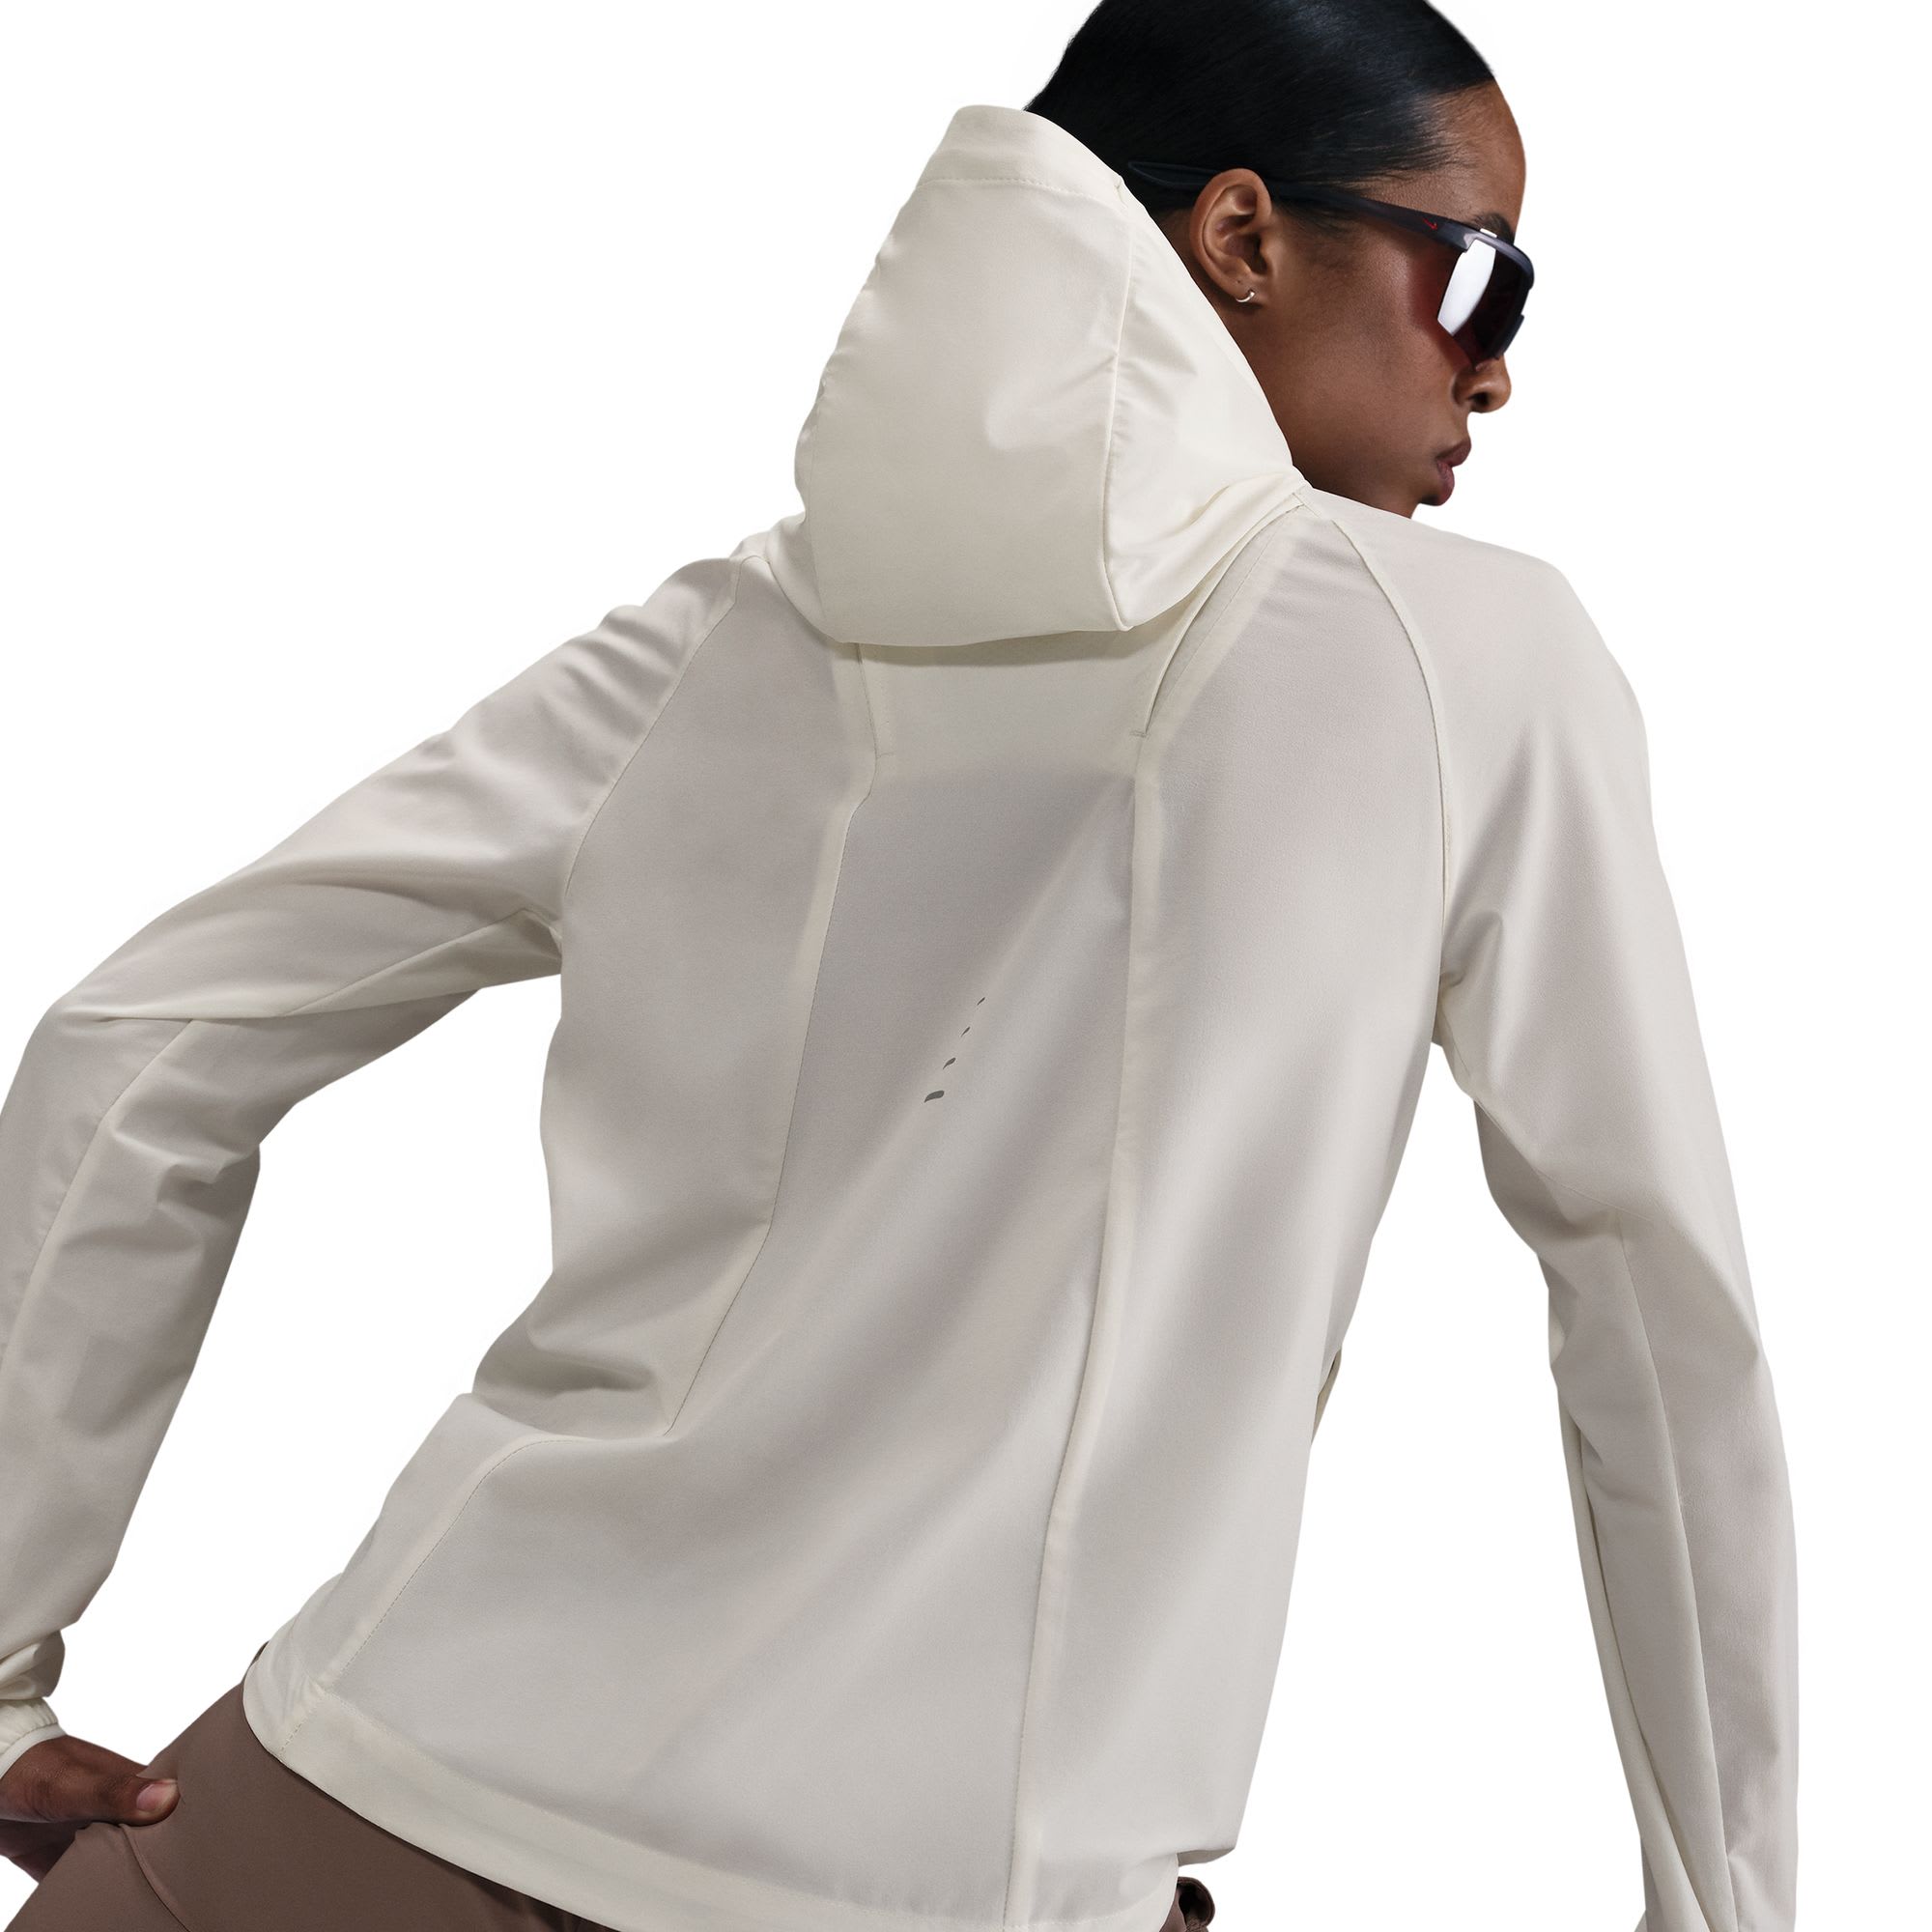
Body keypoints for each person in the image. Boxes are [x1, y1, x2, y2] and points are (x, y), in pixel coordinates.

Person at [0, 1, 1800, 1928]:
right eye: (1479, 278)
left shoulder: (719, 641)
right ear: (1244, 236)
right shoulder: (1468, 661)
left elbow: (142, 1044)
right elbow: (1653, 1307)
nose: (1494, 369)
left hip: (348, 1806)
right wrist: (1727, 1902)